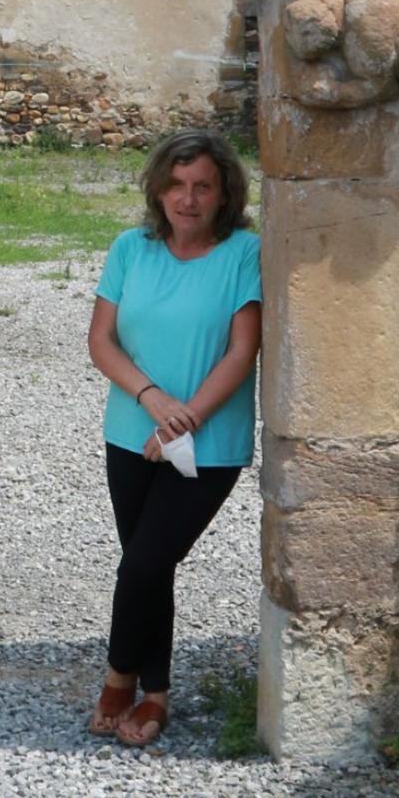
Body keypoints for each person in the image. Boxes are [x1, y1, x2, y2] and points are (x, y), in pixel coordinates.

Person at [85, 130, 262, 746]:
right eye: (177, 185)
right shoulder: (130, 249)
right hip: (131, 433)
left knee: (144, 563)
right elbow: (101, 341)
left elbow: (243, 351)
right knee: (148, 568)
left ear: (223, 195)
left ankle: (118, 677)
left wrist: (185, 418)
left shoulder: (244, 253)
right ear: (159, 189)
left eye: (202, 187)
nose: (188, 199)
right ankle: (154, 694)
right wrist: (153, 400)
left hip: (210, 444)